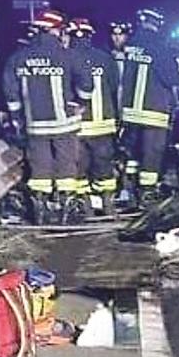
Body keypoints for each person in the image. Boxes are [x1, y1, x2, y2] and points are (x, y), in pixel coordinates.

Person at [2, 9, 92, 224]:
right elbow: (87, 83)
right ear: (55, 30)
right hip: (65, 124)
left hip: (35, 125)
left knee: (39, 165)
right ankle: (66, 208)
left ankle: (40, 209)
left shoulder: (18, 58)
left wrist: (17, 116)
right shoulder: (67, 55)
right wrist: (80, 103)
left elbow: (10, 91)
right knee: (67, 163)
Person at [119, 7, 179, 206]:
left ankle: (128, 188)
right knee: (152, 153)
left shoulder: (131, 45)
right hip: (152, 110)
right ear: (158, 24)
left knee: (133, 152)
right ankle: (147, 191)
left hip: (130, 111)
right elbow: (172, 77)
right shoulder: (158, 46)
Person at [66, 18, 120, 215]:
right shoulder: (105, 58)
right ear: (90, 36)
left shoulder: (65, 58)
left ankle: (85, 207)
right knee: (104, 167)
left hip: (77, 127)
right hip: (104, 125)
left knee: (78, 169)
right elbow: (114, 86)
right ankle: (108, 206)